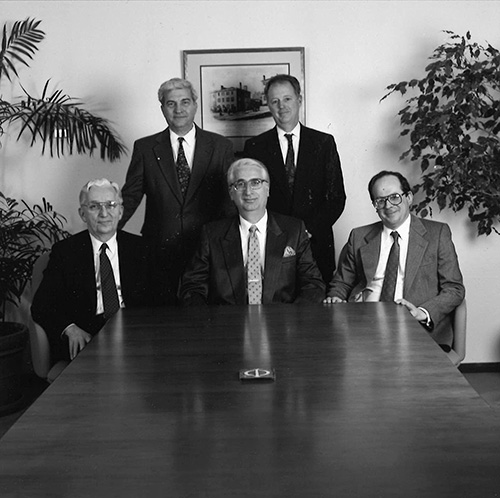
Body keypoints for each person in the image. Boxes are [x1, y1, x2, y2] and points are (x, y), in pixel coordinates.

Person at [118, 77, 234, 304]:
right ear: (162, 108)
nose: (178, 109)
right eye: (171, 103)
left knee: (208, 318)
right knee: (164, 320)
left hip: (209, 251)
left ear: (195, 105)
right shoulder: (145, 148)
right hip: (159, 249)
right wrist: (105, 233)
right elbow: (130, 197)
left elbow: (230, 201)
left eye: (185, 102)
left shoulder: (220, 146)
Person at [324, 170, 465, 350]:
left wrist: (422, 313)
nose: (388, 205)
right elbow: (341, 283)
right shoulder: (358, 236)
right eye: (380, 200)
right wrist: (335, 297)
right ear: (374, 205)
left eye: (395, 197)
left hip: (416, 330)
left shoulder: (437, 234)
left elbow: (454, 288)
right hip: (362, 328)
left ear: (408, 198)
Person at [32, 178, 149, 363]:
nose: (104, 213)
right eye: (94, 206)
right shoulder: (65, 252)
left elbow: (162, 302)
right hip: (87, 339)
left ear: (120, 211)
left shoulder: (143, 249)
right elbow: (42, 304)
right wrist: (70, 329)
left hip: (135, 337)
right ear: (83, 214)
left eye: (111, 205)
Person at [243, 74, 346, 284]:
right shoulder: (255, 147)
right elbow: (251, 199)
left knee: (318, 311)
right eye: (275, 101)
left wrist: (305, 233)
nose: (282, 106)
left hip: (316, 244)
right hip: (270, 246)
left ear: (299, 99)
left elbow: (336, 198)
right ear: (269, 106)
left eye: (287, 99)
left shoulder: (323, 143)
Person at [179, 158, 325, 305]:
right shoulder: (212, 234)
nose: (248, 191)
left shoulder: (294, 230)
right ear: (231, 193)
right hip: (227, 324)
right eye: (240, 184)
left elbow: (313, 285)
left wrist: (291, 320)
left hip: (281, 323)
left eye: (255, 183)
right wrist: (209, 324)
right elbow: (192, 287)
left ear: (267, 189)